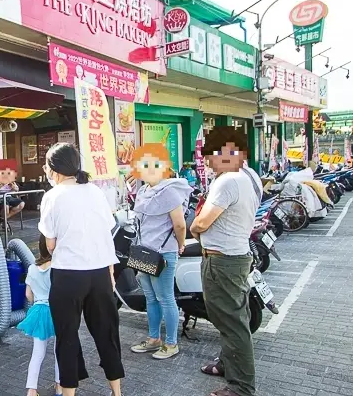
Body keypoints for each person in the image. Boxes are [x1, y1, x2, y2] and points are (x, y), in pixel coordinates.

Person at [38, 142, 125, 396]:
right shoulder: (95, 191)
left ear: (53, 169)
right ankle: (117, 392)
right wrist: (109, 272)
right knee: (107, 333)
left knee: (67, 337)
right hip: (99, 273)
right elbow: (106, 232)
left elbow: (50, 244)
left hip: (68, 275)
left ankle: (69, 393)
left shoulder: (52, 196)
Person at [190, 127, 262, 396]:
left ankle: (241, 387)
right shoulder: (249, 175)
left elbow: (202, 222)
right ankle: (226, 363)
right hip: (235, 255)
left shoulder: (228, 180)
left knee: (232, 323)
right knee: (231, 318)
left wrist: (195, 228)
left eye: (211, 154)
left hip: (223, 261)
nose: (208, 161)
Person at [127, 144, 191, 360]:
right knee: (151, 298)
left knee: (165, 298)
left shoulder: (170, 190)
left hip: (163, 254)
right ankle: (154, 338)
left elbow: (179, 224)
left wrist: (180, 245)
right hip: (143, 252)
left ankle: (171, 343)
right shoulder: (144, 190)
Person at [17, 235, 62, 396]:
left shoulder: (32, 269)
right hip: (56, 311)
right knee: (60, 351)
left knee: (37, 353)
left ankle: (31, 389)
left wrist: (37, 300)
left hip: (38, 311)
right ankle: (59, 386)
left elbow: (28, 295)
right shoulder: (57, 267)